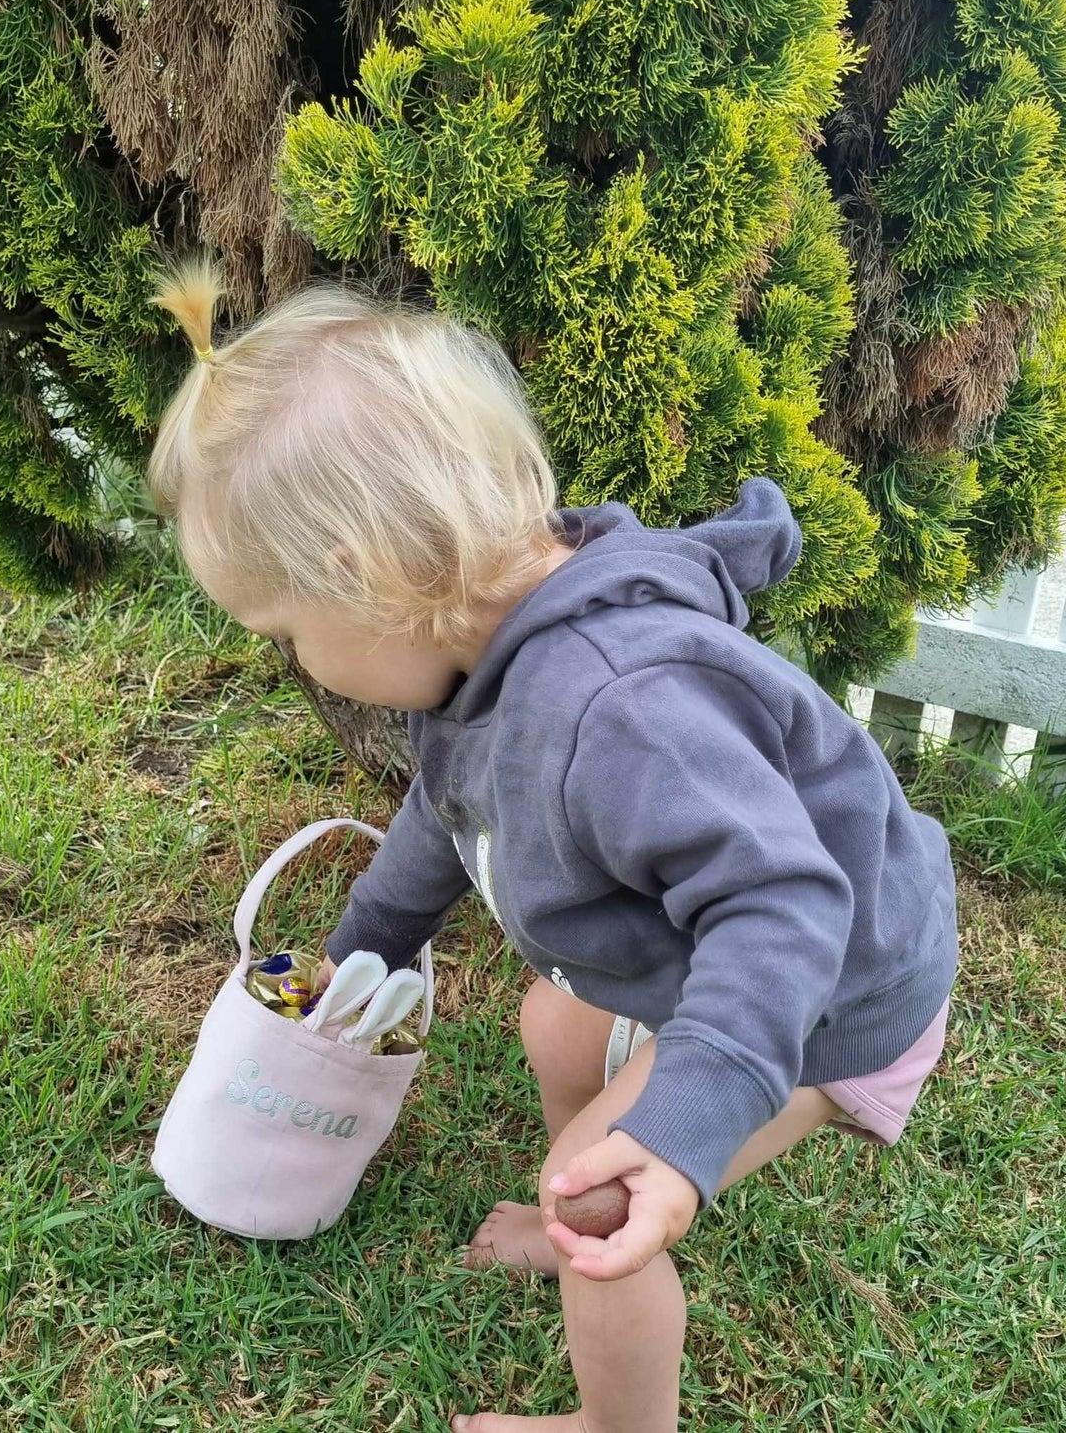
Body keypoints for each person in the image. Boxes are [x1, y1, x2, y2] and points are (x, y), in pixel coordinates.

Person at [148, 260, 958, 1433]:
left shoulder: (617, 706)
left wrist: (682, 1124)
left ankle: (611, 1402)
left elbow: (780, 901)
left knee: (593, 1210)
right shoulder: (491, 656)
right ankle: (583, 1167)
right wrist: (369, 937)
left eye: (286, 632)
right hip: (770, 948)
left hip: (839, 993)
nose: (296, 659)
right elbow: (448, 802)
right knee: (550, 1018)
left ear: (358, 579)